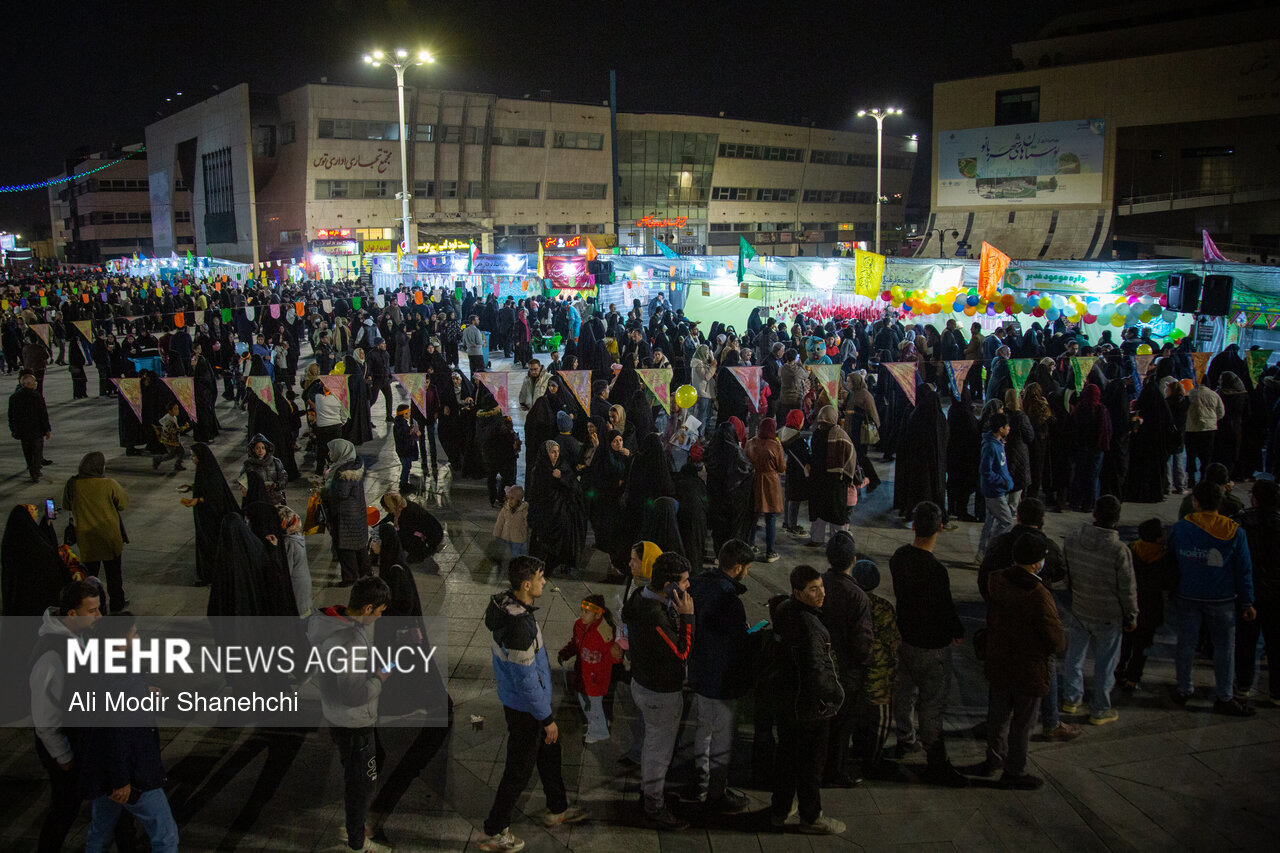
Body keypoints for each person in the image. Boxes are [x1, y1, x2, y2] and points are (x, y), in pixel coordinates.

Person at [479, 557, 587, 852]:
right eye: (540, 578)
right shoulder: (518, 627)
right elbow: (526, 680)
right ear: (526, 585)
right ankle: (495, 829)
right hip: (526, 708)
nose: (544, 583)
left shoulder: (507, 606)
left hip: (523, 701)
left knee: (550, 754)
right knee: (518, 770)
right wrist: (546, 717)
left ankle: (558, 807)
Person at [307, 576, 395, 853]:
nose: (379, 619)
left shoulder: (337, 622)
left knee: (360, 772)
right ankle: (357, 843)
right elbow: (353, 695)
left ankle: (354, 824)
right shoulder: (348, 642)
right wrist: (380, 678)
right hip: (354, 721)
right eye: (379, 613)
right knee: (362, 785)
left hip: (337, 715)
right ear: (367, 608)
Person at [79, 612, 180, 853]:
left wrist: (142, 692)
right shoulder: (123, 678)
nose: (137, 638)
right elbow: (118, 733)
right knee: (166, 836)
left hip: (102, 770)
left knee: (100, 832)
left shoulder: (94, 665)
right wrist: (121, 780)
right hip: (133, 776)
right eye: (133, 633)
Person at [889, 501, 967, 786]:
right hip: (932, 646)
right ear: (940, 529)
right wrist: (956, 631)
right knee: (931, 703)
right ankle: (935, 758)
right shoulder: (936, 570)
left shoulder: (898, 558)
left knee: (904, 692)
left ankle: (905, 738)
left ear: (913, 526)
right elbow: (944, 608)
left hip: (905, 637)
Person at [980, 534, 1067, 790]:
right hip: (1027, 668)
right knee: (1022, 722)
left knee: (997, 714)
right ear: (1035, 563)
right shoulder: (1038, 595)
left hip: (998, 659)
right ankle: (1014, 771)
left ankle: (993, 757)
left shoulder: (996, 580)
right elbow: (1055, 638)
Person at [28, 581, 107, 852]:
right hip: (63, 747)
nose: (99, 616)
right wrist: (64, 757)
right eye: (92, 611)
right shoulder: (52, 655)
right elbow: (45, 718)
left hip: (81, 737)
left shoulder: (80, 635)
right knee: (65, 806)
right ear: (72, 614)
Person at [768, 565, 846, 835]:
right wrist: (835, 697)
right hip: (810, 708)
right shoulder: (810, 626)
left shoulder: (784, 611)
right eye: (813, 589)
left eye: (822, 586)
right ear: (798, 592)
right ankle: (811, 817)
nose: (821, 593)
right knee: (811, 765)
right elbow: (816, 672)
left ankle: (780, 809)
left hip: (788, 701)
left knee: (787, 758)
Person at [622, 551, 696, 830]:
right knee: (658, 751)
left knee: (654, 745)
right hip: (659, 692)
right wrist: (687, 618)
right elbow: (682, 652)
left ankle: (653, 793)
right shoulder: (654, 615)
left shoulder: (641, 596)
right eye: (685, 582)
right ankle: (653, 805)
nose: (689, 586)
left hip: (643, 682)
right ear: (669, 585)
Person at [1169, 481, 1256, 716]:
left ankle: (1184, 688)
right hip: (1222, 598)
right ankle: (1224, 695)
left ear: (1195, 502)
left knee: (1186, 646)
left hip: (1188, 594)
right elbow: (1243, 570)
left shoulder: (1181, 528)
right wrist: (1247, 602)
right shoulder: (1234, 531)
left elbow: (1172, 562)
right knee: (1224, 648)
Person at [687, 540, 755, 812]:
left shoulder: (699, 584)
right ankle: (717, 792)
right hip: (720, 676)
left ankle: (700, 780)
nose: (747, 573)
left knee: (704, 727)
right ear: (737, 567)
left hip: (700, 670)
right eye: (747, 568)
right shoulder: (729, 600)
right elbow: (738, 640)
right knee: (721, 735)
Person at [1061, 495, 1137, 725]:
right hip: (1108, 614)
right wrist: (1131, 614)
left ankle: (1071, 698)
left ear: (1094, 513)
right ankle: (1100, 708)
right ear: (1117, 519)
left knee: (1074, 656)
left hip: (1081, 606)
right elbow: (1127, 588)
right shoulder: (1118, 549)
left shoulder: (1073, 539)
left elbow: (1068, 575)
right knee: (1106, 663)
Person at [821, 531, 873, 787]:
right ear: (853, 560)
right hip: (847, 671)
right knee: (842, 727)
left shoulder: (818, 584)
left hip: (821, 666)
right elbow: (862, 643)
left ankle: (817, 765)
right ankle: (835, 770)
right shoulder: (857, 596)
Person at [64, 452, 130, 613]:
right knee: (114, 574)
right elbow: (123, 503)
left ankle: (93, 607)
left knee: (90, 575)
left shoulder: (72, 483)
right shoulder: (109, 484)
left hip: (86, 537)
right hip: (109, 535)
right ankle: (117, 602)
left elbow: (66, 505)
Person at [1234, 479, 1280, 706]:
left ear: (1256, 498)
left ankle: (1243, 686)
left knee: (1246, 642)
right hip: (1276, 594)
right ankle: (1277, 692)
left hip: (1249, 591)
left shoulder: (1243, 522)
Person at [1116, 518, 1174, 691]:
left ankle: (1120, 668)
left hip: (1129, 604)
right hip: (1151, 608)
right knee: (1142, 646)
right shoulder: (1164, 557)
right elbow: (1169, 583)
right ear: (1157, 538)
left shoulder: (1131, 549)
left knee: (1126, 641)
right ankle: (1133, 678)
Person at [557, 594, 622, 744]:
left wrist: (617, 654)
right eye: (581, 610)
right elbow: (575, 643)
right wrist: (565, 653)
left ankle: (599, 732)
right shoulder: (579, 625)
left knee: (592, 705)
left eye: (586, 612)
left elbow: (613, 655)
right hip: (582, 674)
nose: (582, 615)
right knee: (588, 704)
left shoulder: (603, 632)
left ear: (598, 614)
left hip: (595, 680)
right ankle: (597, 722)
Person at [807, 405, 856, 546]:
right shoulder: (840, 435)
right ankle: (838, 543)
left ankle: (817, 539)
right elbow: (850, 456)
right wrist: (848, 477)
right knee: (836, 514)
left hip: (818, 480)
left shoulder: (816, 434)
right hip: (835, 482)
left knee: (819, 512)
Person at [322, 439, 370, 585]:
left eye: (332, 451)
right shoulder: (354, 466)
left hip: (344, 515)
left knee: (345, 548)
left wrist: (323, 492)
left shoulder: (343, 472)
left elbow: (340, 494)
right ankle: (365, 572)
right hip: (356, 513)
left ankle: (350, 577)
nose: (330, 454)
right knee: (359, 546)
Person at [744, 418, 784, 562]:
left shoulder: (751, 443)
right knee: (770, 517)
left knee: (753, 515)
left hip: (754, 479)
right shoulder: (775, 446)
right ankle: (770, 552)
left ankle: (750, 544)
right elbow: (781, 467)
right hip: (770, 482)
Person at [977, 413, 1015, 562]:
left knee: (990, 521)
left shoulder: (997, 443)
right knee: (1006, 521)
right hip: (994, 491)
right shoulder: (990, 446)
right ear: (1000, 429)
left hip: (997, 488)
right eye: (1007, 427)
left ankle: (983, 552)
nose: (1009, 429)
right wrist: (1003, 481)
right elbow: (986, 471)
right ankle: (991, 551)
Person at [8, 370, 51, 482]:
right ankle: (35, 472)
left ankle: (31, 468)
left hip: (22, 430)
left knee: (27, 451)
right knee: (37, 451)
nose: (36, 384)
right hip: (36, 429)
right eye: (34, 382)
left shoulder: (14, 397)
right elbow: (43, 414)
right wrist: (47, 429)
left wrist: (13, 429)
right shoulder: (36, 396)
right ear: (29, 384)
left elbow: (11, 416)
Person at [378, 492, 443, 562]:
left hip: (433, 537)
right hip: (433, 532)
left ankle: (421, 553)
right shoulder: (401, 505)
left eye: (385, 508)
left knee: (400, 537)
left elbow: (406, 532)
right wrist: (377, 527)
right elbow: (389, 518)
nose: (385, 510)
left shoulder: (407, 513)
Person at [238, 433, 289, 506]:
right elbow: (242, 482)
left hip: (275, 499)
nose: (260, 451)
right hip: (257, 499)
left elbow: (283, 477)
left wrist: (276, 485)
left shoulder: (275, 462)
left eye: (263, 448)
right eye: (257, 448)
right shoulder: (248, 464)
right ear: (253, 450)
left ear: (267, 448)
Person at [493, 484, 530, 559]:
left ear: (519, 499)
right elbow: (499, 522)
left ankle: (516, 568)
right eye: (508, 498)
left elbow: (527, 523)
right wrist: (496, 534)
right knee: (506, 556)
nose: (509, 501)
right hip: (506, 537)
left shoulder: (524, 510)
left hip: (518, 539)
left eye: (512, 498)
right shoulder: (505, 509)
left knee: (516, 556)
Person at [152, 400, 188, 473]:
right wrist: (184, 427)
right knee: (171, 455)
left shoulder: (173, 417)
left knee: (181, 452)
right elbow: (175, 430)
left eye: (177, 408)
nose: (177, 410)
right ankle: (158, 458)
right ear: (170, 411)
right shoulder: (170, 420)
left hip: (173, 439)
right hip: (170, 440)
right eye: (175, 409)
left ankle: (178, 464)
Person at [392, 403, 418, 492]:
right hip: (404, 450)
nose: (410, 414)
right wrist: (412, 433)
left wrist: (410, 429)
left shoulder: (400, 423)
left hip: (402, 449)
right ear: (404, 414)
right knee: (406, 467)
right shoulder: (401, 424)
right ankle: (403, 484)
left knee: (407, 466)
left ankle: (404, 482)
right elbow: (404, 436)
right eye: (408, 412)